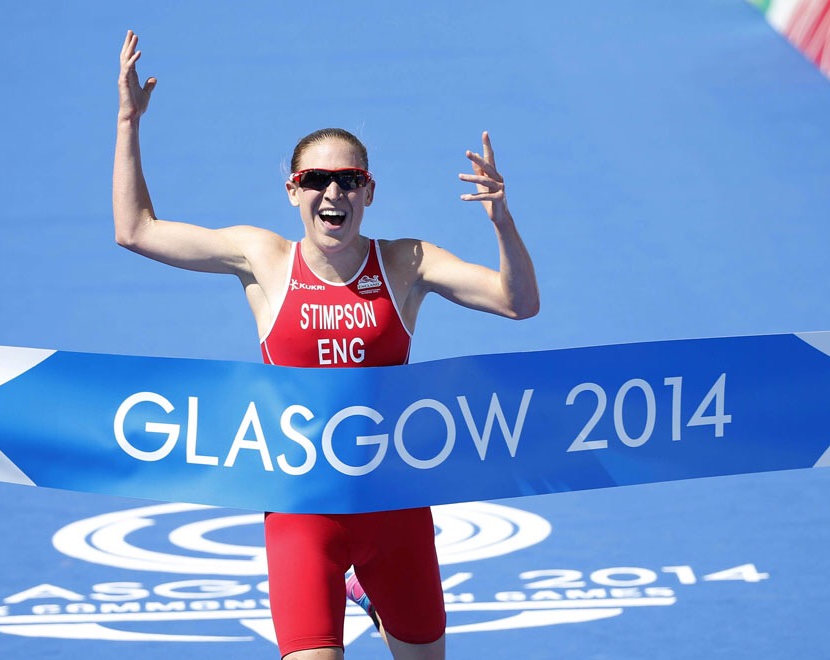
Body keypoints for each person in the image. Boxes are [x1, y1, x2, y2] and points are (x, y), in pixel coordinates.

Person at [114, 29, 539, 660]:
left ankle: (366, 591)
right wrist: (128, 120)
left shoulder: (406, 262)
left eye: (348, 180)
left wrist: (504, 223)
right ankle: (343, 587)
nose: (332, 193)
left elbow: (517, 303)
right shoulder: (264, 259)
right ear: (293, 190)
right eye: (317, 179)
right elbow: (135, 230)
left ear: (369, 192)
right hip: (302, 514)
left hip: (396, 510)